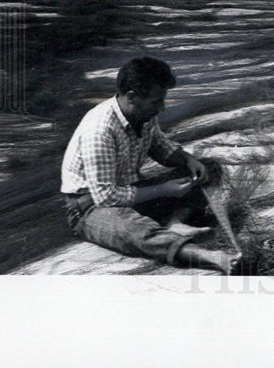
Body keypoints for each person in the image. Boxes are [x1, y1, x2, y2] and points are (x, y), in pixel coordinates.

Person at [60, 56, 242, 274]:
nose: (162, 108)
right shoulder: (99, 130)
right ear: (132, 97)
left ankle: (176, 223)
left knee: (209, 169)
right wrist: (163, 190)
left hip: (132, 190)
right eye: (156, 102)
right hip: (91, 207)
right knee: (135, 230)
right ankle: (215, 258)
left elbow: (159, 146)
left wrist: (189, 160)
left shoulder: (143, 113)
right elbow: (106, 197)